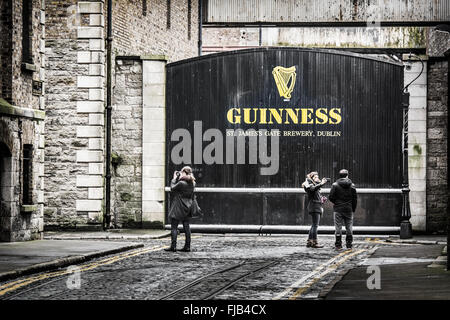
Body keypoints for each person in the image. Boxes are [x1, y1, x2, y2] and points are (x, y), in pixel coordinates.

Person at [165, 166, 196, 252]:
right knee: (186, 226)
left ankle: (173, 246)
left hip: (178, 206)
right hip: (187, 206)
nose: (181, 174)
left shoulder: (181, 183)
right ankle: (187, 246)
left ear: (185, 173)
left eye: (182, 172)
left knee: (174, 227)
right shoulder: (193, 183)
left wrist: (174, 178)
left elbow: (172, 188)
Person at [329, 169, 357, 250]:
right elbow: (355, 198)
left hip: (338, 209)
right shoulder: (352, 185)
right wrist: (353, 209)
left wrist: (336, 203)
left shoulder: (335, 185)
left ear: (339, 176)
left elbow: (331, 197)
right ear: (347, 175)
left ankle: (338, 245)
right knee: (349, 226)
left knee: (338, 227)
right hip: (348, 209)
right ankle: (349, 244)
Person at [302, 171, 328, 248]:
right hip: (315, 207)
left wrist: (321, 199)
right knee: (315, 226)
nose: (317, 178)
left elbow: (315, 192)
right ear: (311, 178)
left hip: (315, 206)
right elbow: (313, 189)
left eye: (317, 177)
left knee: (313, 225)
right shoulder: (310, 185)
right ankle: (314, 242)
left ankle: (310, 242)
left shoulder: (313, 185)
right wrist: (322, 183)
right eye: (315, 177)